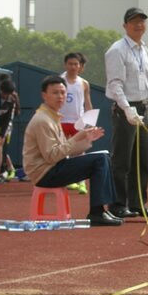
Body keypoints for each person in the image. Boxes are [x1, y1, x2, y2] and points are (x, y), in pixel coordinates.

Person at [23, 75, 122, 226]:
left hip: (53, 167)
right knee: (100, 160)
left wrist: (87, 139)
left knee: (104, 156)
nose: (60, 97)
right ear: (44, 95)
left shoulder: (53, 118)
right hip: (45, 173)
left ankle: (103, 209)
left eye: (63, 93)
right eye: (55, 93)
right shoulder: (42, 120)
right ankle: (97, 212)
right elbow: (52, 156)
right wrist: (79, 137)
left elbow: (63, 151)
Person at [105, 7, 148, 218]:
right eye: (134, 21)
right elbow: (115, 84)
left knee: (141, 160)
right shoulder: (117, 50)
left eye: (142, 21)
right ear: (125, 25)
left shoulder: (144, 50)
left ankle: (138, 203)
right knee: (122, 160)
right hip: (125, 110)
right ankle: (118, 204)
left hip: (144, 108)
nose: (139, 25)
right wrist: (127, 109)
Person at [59, 52, 93, 195]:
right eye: (70, 64)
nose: (73, 67)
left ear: (80, 66)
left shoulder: (83, 83)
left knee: (79, 152)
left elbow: (88, 103)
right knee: (63, 151)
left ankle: (82, 182)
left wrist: (90, 122)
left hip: (77, 121)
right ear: (65, 65)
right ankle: (68, 180)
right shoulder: (59, 81)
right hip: (61, 120)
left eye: (76, 64)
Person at [0, 78, 19, 183]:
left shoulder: (12, 100)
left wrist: (2, 135)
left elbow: (9, 119)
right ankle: (10, 168)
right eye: (4, 93)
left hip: (5, 126)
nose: (5, 96)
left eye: (7, 94)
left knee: (2, 146)